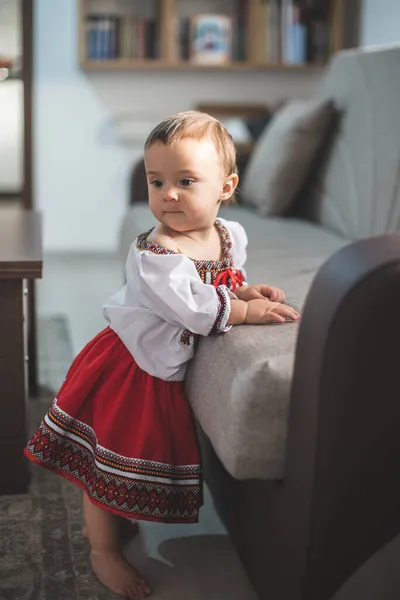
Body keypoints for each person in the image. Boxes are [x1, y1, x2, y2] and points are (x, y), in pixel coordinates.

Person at [24, 110, 300, 600]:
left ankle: (108, 525)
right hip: (130, 369)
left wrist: (246, 290)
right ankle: (102, 549)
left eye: (185, 181)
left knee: (134, 454)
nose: (167, 194)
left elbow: (219, 282)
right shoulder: (157, 254)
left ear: (226, 186)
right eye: (157, 182)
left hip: (156, 368)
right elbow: (194, 308)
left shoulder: (228, 235)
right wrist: (247, 313)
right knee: (109, 455)